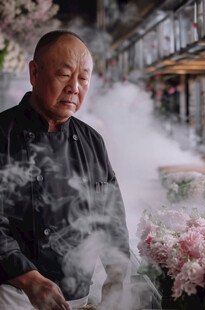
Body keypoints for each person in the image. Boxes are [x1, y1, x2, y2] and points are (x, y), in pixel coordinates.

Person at [0, 30, 130, 310]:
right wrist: (30, 278)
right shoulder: (3, 134)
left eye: (83, 78)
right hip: (13, 295)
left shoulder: (92, 141)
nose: (74, 87)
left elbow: (111, 217)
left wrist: (117, 275)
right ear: (34, 73)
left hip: (77, 295)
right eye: (64, 74)